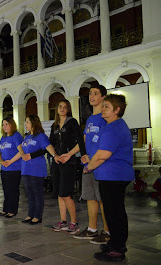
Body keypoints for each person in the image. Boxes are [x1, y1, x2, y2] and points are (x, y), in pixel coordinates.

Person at [84, 94, 134, 262]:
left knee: (115, 213)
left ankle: (118, 249)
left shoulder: (115, 127)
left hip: (115, 176)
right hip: (109, 176)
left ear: (117, 110)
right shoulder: (109, 125)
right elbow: (98, 149)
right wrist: (89, 158)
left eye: (106, 106)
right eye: (103, 106)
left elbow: (103, 155)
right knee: (112, 212)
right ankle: (114, 242)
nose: (103, 109)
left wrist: (89, 166)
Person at [73, 85, 110, 244]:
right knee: (90, 197)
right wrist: (83, 155)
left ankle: (108, 231)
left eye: (96, 94)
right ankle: (92, 229)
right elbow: (86, 140)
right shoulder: (90, 119)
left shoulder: (106, 117)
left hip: (101, 164)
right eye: (90, 94)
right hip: (87, 164)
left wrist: (93, 158)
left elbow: (106, 142)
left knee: (103, 199)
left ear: (103, 97)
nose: (92, 96)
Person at [50, 99, 86, 234]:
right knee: (60, 193)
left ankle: (74, 223)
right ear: (57, 109)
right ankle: (63, 221)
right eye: (60, 106)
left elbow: (81, 140)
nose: (62, 109)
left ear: (68, 109)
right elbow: (51, 143)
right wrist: (55, 156)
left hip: (69, 162)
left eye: (65, 107)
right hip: (58, 162)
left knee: (66, 194)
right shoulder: (54, 126)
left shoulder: (72, 122)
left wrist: (69, 154)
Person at [18, 115, 58, 225]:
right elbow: (22, 150)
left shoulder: (41, 136)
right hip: (26, 169)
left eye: (27, 122)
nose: (25, 124)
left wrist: (55, 155)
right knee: (29, 193)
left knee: (37, 193)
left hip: (36, 169)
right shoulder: (26, 137)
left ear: (33, 123)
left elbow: (47, 147)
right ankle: (30, 214)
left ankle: (37, 216)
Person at [0, 117, 23, 218]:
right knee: (6, 190)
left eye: (7, 124)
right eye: (3, 125)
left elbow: (21, 152)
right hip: (4, 168)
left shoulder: (16, 136)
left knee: (13, 190)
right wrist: (1, 161)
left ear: (12, 124)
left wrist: (10, 162)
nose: (4, 126)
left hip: (14, 168)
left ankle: (12, 210)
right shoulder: (3, 138)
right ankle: (5, 209)